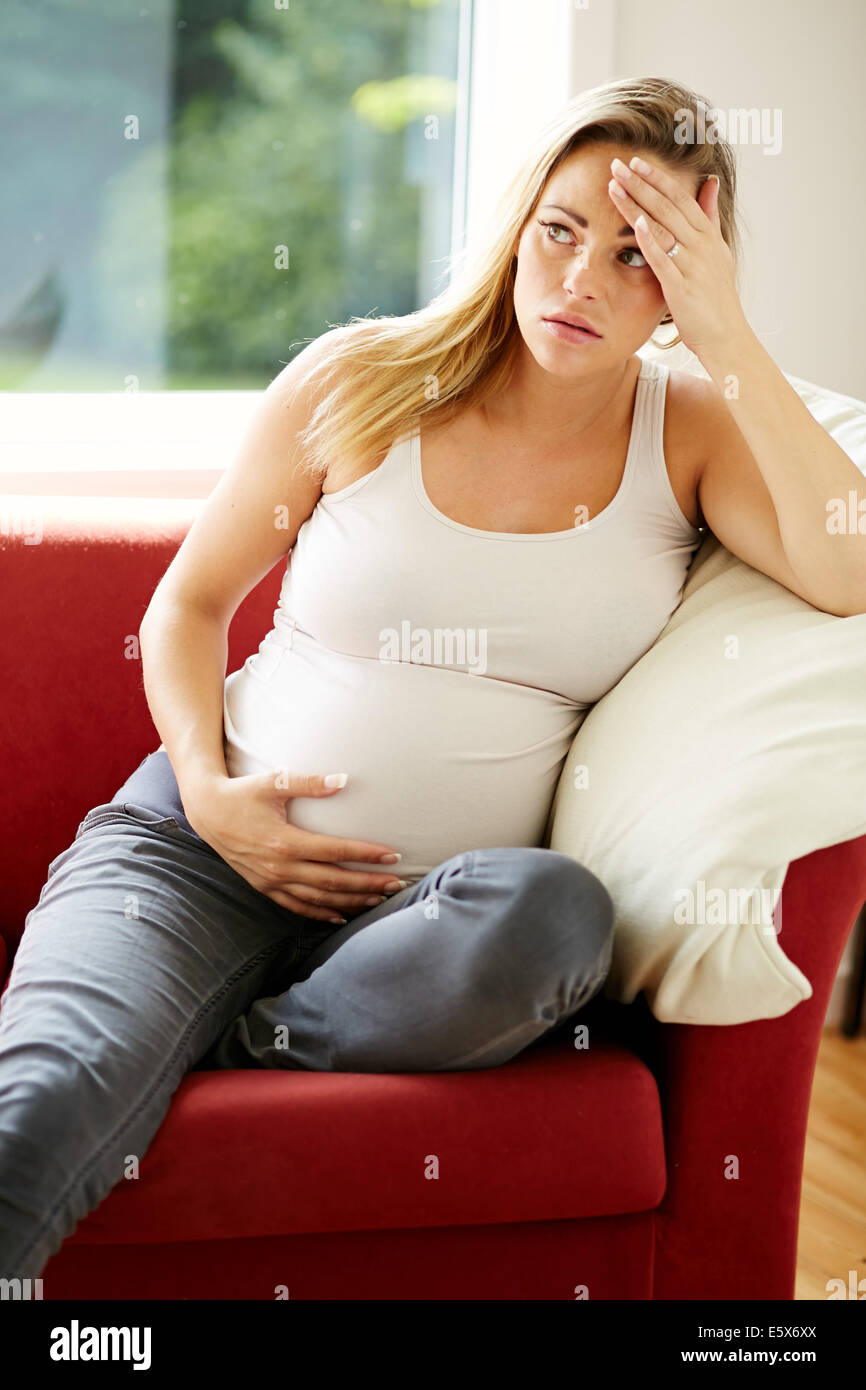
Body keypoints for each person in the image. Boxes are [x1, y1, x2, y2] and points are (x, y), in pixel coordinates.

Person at [0, 74, 740, 1282]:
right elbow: (186, 606)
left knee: (554, 917)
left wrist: (730, 333)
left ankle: (243, 1040)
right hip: (196, 855)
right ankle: (158, 1032)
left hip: (419, 932)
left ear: (687, 279)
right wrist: (205, 789)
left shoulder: (692, 432)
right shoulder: (365, 377)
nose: (580, 280)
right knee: (39, 1105)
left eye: (637, 254)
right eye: (558, 231)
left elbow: (849, 564)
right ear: (514, 229)